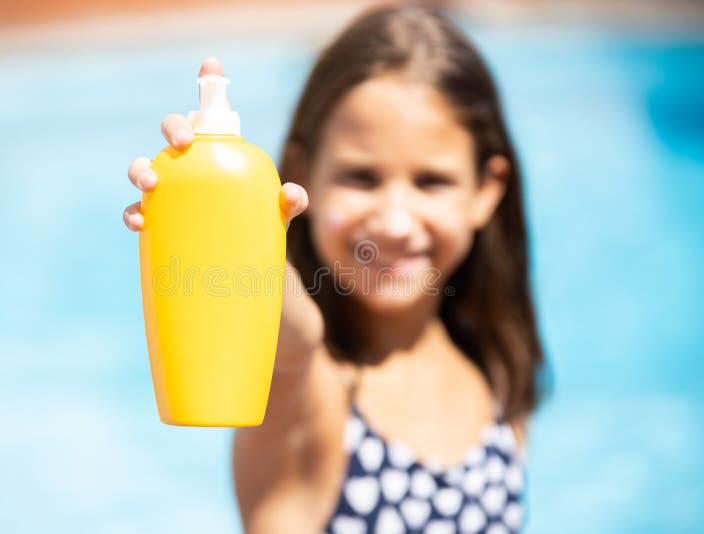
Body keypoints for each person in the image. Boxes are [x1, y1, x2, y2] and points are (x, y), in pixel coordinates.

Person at [124, 3, 546, 533]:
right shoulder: (305, 394)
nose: (394, 221)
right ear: (302, 174)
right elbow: (291, 337)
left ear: (486, 191)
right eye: (361, 177)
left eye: (431, 181)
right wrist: (217, 205)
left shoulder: (496, 371)